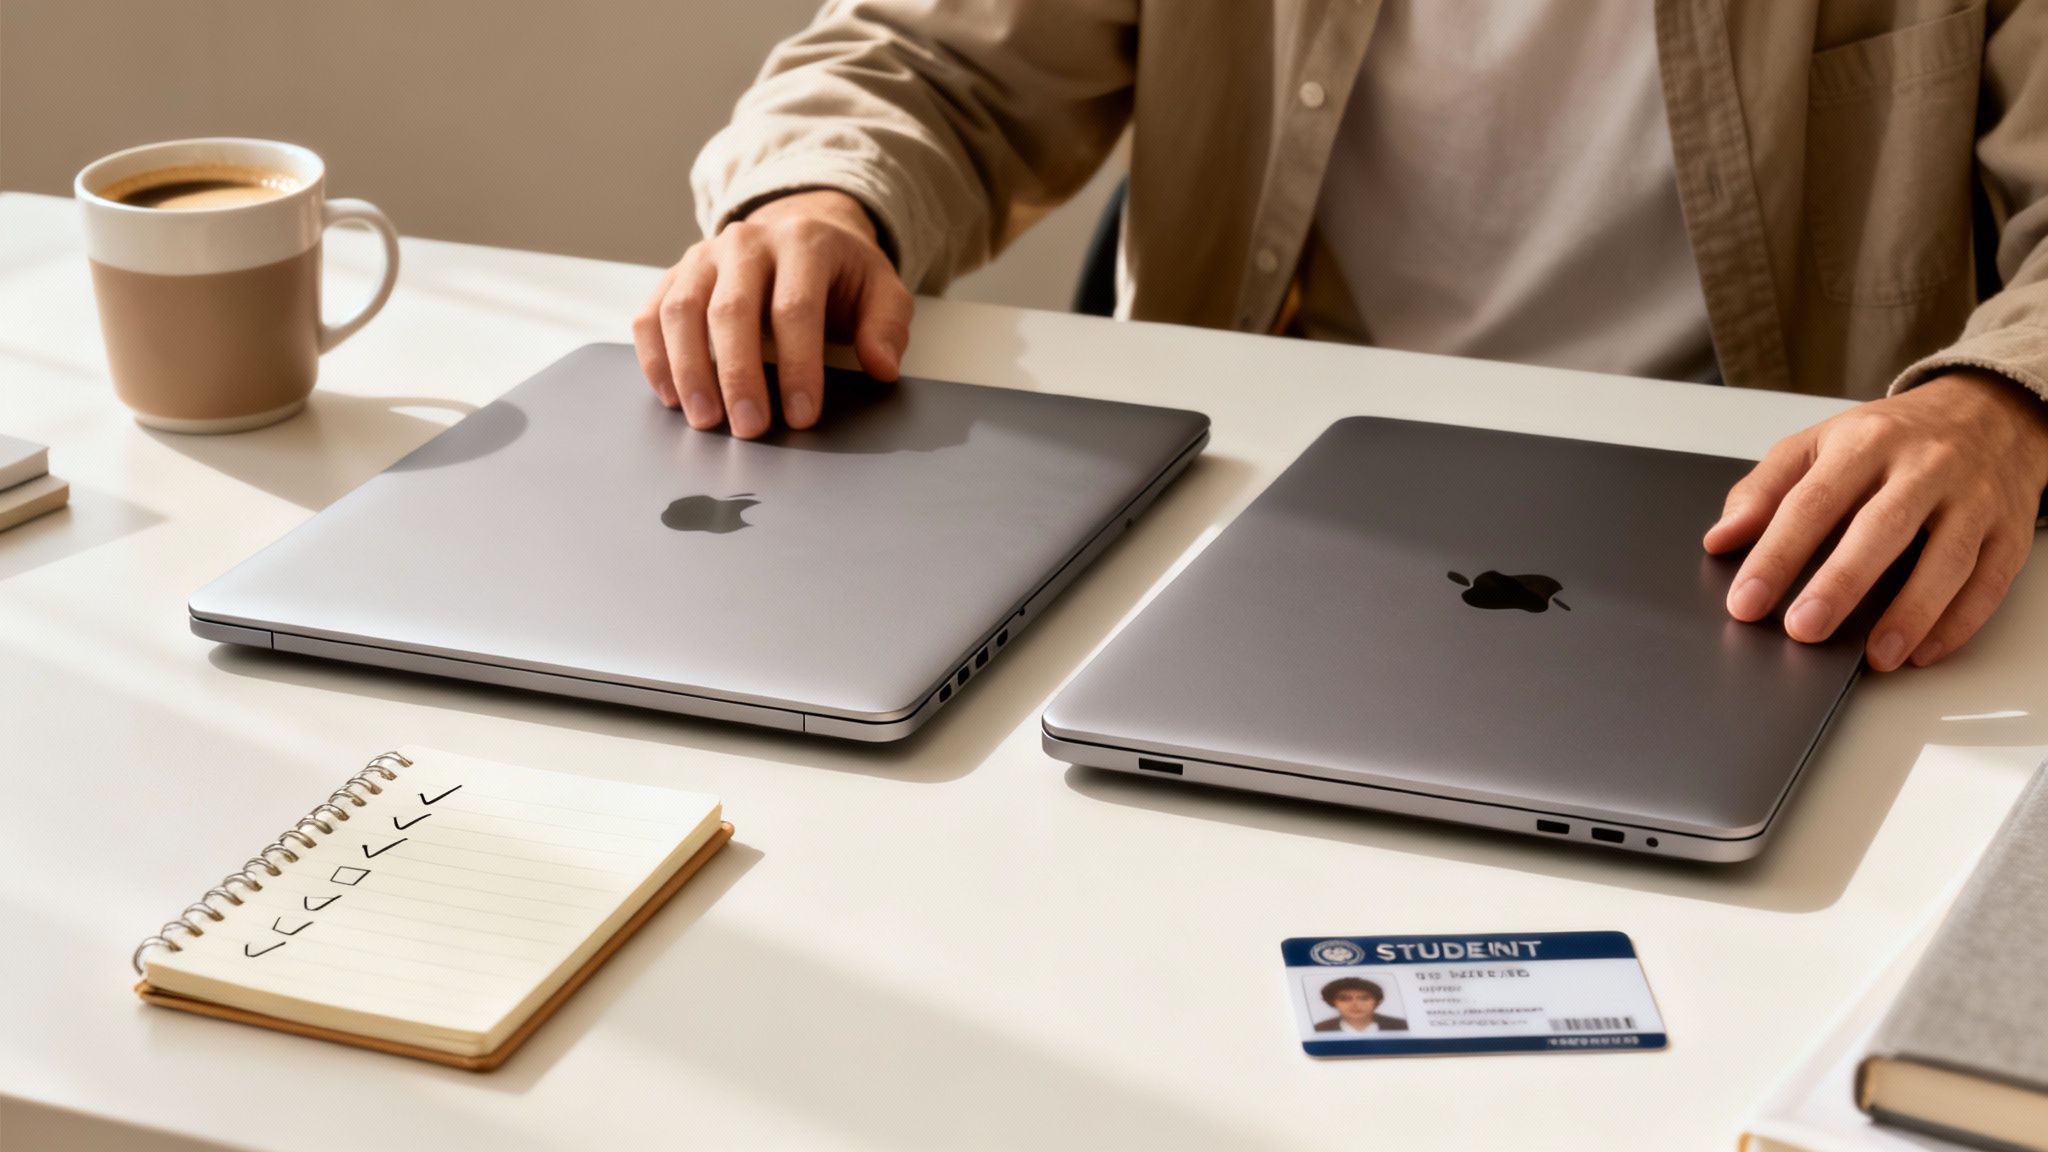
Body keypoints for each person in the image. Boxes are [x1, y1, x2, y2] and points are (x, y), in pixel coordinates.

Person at [633, 1, 2048, 673]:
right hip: (1281, 506)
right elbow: (929, 60)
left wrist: (1993, 405)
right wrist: (816, 195)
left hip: (1777, 534)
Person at [1312, 977, 1409, 1033]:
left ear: (1376, 1001)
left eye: (1364, 998)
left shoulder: (1402, 1026)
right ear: (1333, 1002)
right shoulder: (1319, 1029)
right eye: (1345, 999)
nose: (1355, 1004)